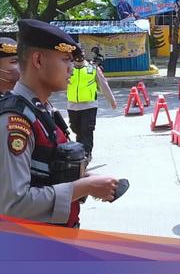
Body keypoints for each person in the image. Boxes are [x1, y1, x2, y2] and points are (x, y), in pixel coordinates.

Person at [0, 19, 118, 227]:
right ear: (38, 60)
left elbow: (43, 169)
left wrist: (84, 178)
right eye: (65, 60)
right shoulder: (15, 121)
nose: (71, 68)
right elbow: (14, 204)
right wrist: (83, 187)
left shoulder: (41, 109)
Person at [67, 48, 117, 161]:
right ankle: (81, 150)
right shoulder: (68, 69)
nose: (79, 58)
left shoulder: (92, 68)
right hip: (72, 106)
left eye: (81, 55)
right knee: (76, 129)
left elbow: (103, 85)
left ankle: (86, 154)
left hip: (89, 105)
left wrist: (112, 100)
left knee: (87, 130)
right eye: (76, 56)